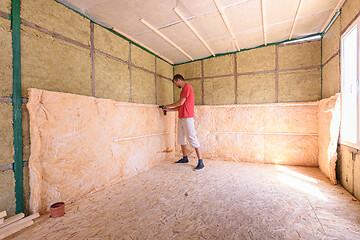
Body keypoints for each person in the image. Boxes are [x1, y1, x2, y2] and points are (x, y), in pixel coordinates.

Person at [164, 74, 204, 171]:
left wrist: (168, 106)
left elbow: (181, 102)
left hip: (188, 117)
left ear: (178, 80)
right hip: (182, 117)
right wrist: (170, 110)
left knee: (192, 137)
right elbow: (181, 107)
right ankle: (185, 157)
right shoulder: (183, 90)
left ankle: (201, 161)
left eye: (175, 83)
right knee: (181, 138)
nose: (176, 85)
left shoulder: (187, 87)